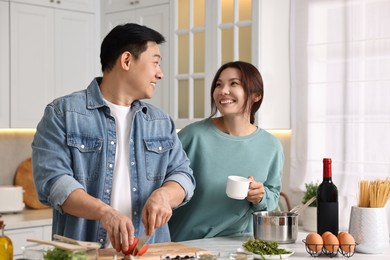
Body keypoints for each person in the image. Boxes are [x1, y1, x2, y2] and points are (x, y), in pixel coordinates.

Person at [31, 23, 196, 253]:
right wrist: (105, 213)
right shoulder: (63, 113)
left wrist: (164, 195)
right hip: (84, 254)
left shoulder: (160, 122)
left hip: (150, 254)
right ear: (127, 61)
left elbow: (183, 175)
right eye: (155, 62)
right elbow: (53, 182)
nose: (160, 73)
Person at [169, 61, 284, 241]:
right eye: (218, 84)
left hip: (238, 245)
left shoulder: (271, 146)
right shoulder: (193, 136)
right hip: (187, 244)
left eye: (234, 84)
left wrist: (260, 196)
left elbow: (272, 199)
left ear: (256, 95)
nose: (223, 91)